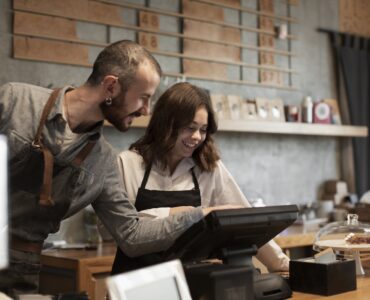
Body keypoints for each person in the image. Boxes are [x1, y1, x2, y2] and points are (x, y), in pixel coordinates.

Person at [0, 40, 231, 297]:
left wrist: (201, 215)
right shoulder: (15, 101)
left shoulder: (103, 160)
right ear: (111, 86)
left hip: (21, 270)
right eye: (143, 98)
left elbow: (131, 235)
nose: (146, 110)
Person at [111, 82, 290, 274]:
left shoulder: (208, 167)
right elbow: (116, 229)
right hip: (134, 282)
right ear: (166, 124)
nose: (197, 136)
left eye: (203, 129)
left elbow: (245, 221)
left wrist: (281, 264)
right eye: (190, 127)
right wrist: (187, 213)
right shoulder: (127, 163)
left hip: (189, 282)